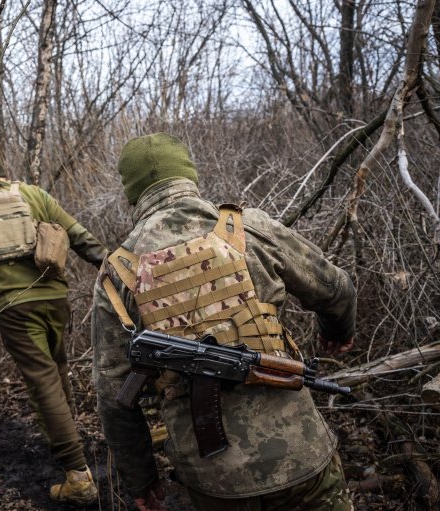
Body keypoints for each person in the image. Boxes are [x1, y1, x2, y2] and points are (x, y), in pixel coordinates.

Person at [92, 133, 356, 511]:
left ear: (132, 192)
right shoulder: (248, 227)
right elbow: (337, 289)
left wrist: (141, 479)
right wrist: (336, 331)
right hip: (302, 457)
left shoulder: (117, 271)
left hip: (212, 481)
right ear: (190, 175)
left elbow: (112, 394)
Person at [0, 148, 108, 506]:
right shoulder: (33, 194)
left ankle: (77, 474)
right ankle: (71, 447)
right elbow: (79, 235)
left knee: (42, 379)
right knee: (58, 369)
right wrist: (114, 270)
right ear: (4, 171)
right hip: (55, 298)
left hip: (14, 306)